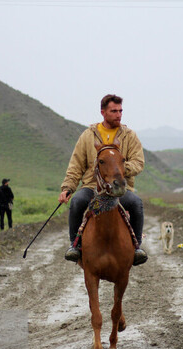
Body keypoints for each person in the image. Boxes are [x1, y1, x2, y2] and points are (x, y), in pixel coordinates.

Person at [58, 94, 148, 266]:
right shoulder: (88, 136)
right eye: (114, 111)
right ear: (103, 112)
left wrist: (118, 169)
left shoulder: (129, 136)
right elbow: (76, 164)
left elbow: (138, 163)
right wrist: (68, 188)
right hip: (92, 186)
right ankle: (74, 246)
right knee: (77, 202)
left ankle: (136, 248)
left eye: (120, 111)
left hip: (119, 187)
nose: (119, 115)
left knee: (136, 203)